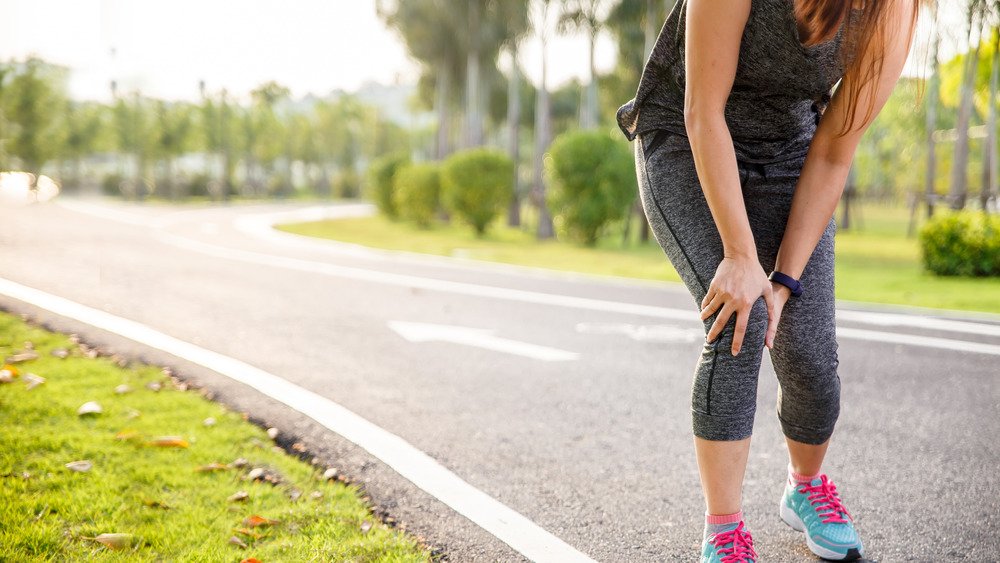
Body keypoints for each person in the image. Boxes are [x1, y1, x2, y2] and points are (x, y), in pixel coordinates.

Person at [616, 0, 923, 561]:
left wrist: (784, 277)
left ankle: (805, 486)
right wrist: (739, 256)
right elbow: (702, 111)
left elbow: (833, 152)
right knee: (741, 313)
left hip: (792, 153)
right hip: (687, 143)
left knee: (808, 353)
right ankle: (724, 530)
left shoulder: (894, 12)